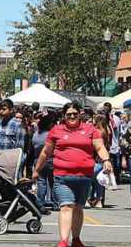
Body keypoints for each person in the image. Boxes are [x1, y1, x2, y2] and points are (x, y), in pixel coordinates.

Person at [33, 104, 113, 247]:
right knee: (66, 206)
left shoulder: (90, 130)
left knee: (78, 208)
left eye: (74, 113)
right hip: (62, 177)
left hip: (84, 177)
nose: (71, 116)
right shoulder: (56, 131)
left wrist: (106, 160)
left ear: (79, 114)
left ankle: (76, 239)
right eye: (68, 114)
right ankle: (63, 241)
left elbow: (100, 147)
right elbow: (46, 152)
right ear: (64, 115)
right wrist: (36, 170)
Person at [34, 111, 57, 210]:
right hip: (51, 160)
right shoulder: (51, 135)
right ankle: (55, 202)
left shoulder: (36, 135)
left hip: (38, 159)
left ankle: (40, 202)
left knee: (41, 182)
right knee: (53, 182)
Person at [89, 114, 112, 208]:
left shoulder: (97, 132)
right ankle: (99, 200)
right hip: (104, 158)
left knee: (91, 180)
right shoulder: (107, 131)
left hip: (96, 158)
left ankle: (88, 199)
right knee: (100, 181)